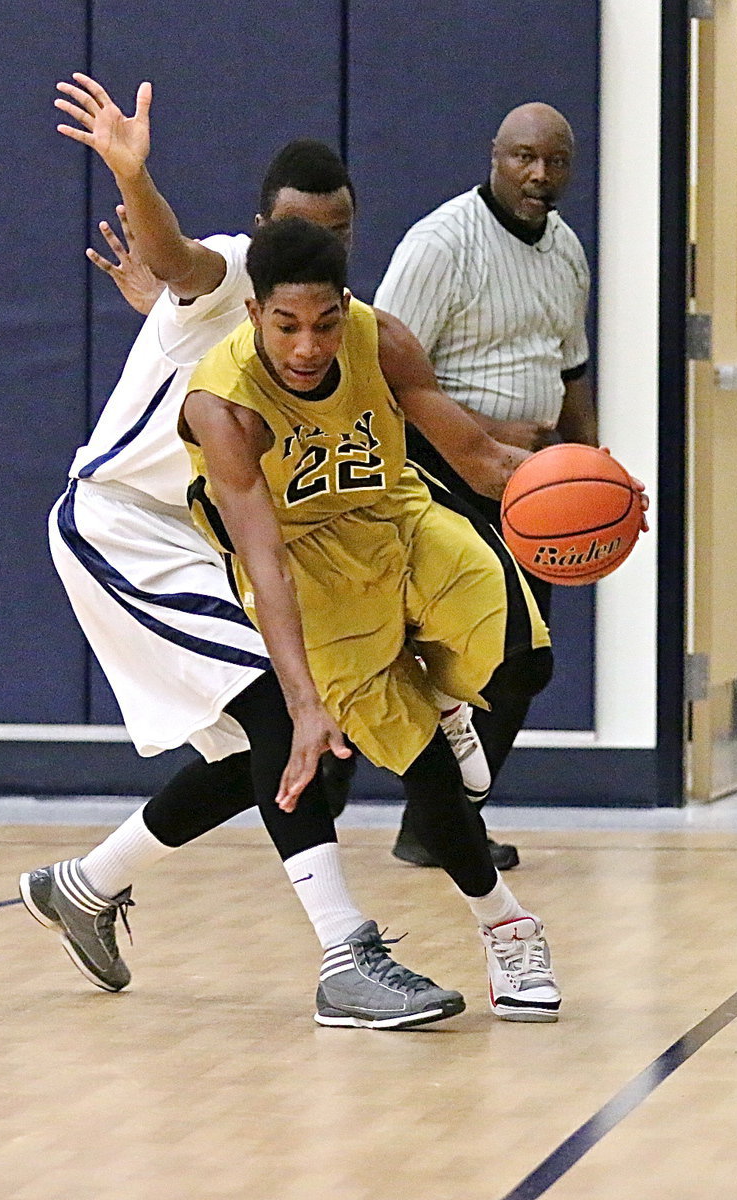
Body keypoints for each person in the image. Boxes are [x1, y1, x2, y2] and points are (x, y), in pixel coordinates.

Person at [18, 74, 482, 1029]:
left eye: (337, 230)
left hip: (211, 540)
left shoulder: (339, 326)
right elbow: (176, 257)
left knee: (272, 753)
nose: (307, 247)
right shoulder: (233, 272)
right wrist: (133, 177)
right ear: (257, 229)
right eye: (288, 229)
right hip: (126, 530)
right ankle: (344, 958)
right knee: (286, 710)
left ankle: (85, 885)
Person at [180, 215, 576, 1021]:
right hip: (305, 572)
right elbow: (261, 561)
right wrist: (300, 704)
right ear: (253, 314)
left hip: (397, 517)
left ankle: (449, 696)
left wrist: (581, 490)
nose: (306, 348)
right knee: (427, 773)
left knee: (526, 660)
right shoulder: (222, 409)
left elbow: (478, 461)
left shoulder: (382, 340)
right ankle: (507, 929)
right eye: (286, 326)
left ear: (346, 309)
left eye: (325, 324)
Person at [373, 101, 597, 867]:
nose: (539, 174)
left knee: (523, 657)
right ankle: (437, 820)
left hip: (536, 482)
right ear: (493, 156)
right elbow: (382, 370)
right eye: (523, 157)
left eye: (555, 161)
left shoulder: (565, 250)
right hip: (446, 471)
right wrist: (484, 435)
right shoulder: (441, 243)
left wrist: (589, 462)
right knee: (490, 654)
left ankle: (441, 822)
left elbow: (570, 369)